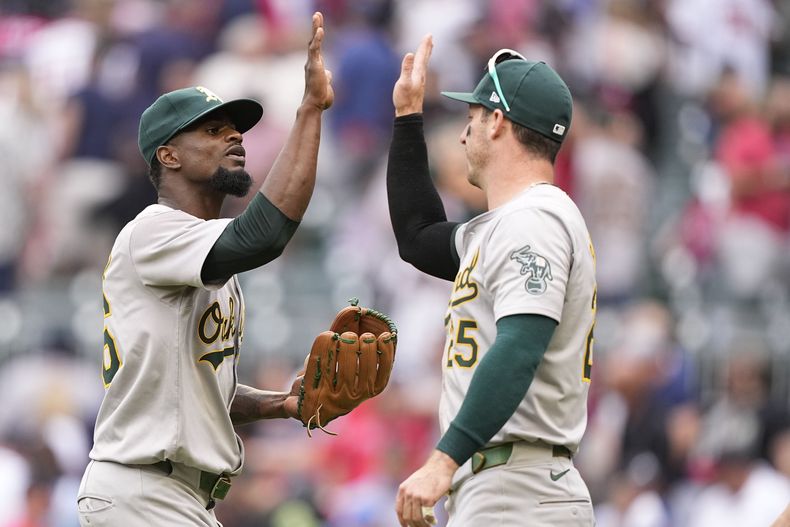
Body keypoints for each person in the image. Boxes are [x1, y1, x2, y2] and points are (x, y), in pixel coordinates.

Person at [76, 12, 334, 527]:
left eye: (235, 130)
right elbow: (266, 234)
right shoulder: (154, 231)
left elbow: (196, 394)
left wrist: (281, 404)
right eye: (213, 131)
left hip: (174, 495)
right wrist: (309, 110)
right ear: (167, 155)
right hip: (143, 488)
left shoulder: (201, 252)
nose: (234, 139)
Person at [389, 36, 597, 526]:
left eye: (472, 119)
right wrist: (407, 118)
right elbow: (417, 238)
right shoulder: (509, 224)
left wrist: (444, 460)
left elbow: (519, 347)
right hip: (505, 485)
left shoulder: (535, 218)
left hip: (517, 486)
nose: (463, 136)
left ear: (497, 121)